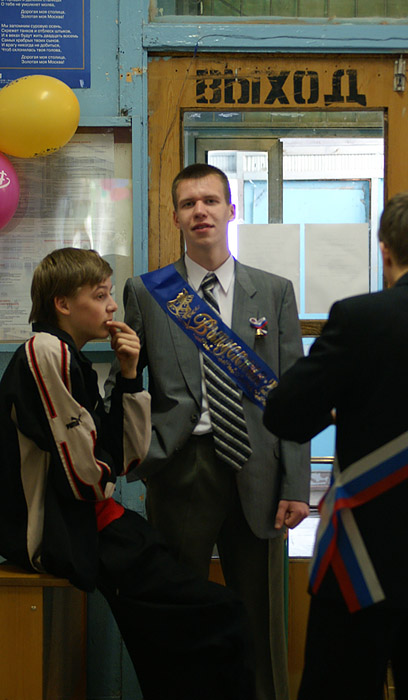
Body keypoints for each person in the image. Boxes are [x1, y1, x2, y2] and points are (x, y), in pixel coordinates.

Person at [0, 247, 255, 700]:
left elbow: (127, 459)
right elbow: (89, 478)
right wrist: (105, 464)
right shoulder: (45, 351)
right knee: (221, 614)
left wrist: (131, 374)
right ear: (62, 304)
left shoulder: (71, 357)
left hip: (96, 523)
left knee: (172, 636)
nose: (113, 306)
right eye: (100, 295)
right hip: (63, 532)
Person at [105, 163, 310, 700]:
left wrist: (296, 485)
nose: (200, 211)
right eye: (189, 203)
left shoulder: (275, 292)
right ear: (175, 217)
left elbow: (293, 399)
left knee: (260, 617)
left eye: (211, 201)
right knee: (180, 617)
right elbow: (130, 385)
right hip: (182, 469)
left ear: (230, 210)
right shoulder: (148, 292)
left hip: (259, 471)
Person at [263, 190, 408, 700]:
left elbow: (283, 413)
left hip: (358, 565)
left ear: (384, 250)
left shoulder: (359, 318)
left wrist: (340, 409)